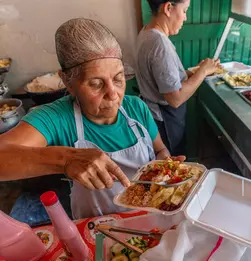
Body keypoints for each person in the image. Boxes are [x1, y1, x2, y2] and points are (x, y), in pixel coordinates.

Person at [0, 18, 180, 220]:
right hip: (97, 233)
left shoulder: (137, 108)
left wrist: (167, 167)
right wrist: (66, 159)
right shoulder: (58, 118)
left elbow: (160, 150)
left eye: (119, 78)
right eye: (96, 84)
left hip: (152, 219)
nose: (113, 94)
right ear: (68, 82)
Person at [135, 0, 220, 155]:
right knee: (173, 164)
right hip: (164, 120)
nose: (185, 18)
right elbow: (175, 98)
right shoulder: (159, 43)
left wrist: (197, 70)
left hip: (156, 115)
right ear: (168, 8)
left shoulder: (147, 31)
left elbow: (165, 77)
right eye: (185, 10)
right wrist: (202, 73)